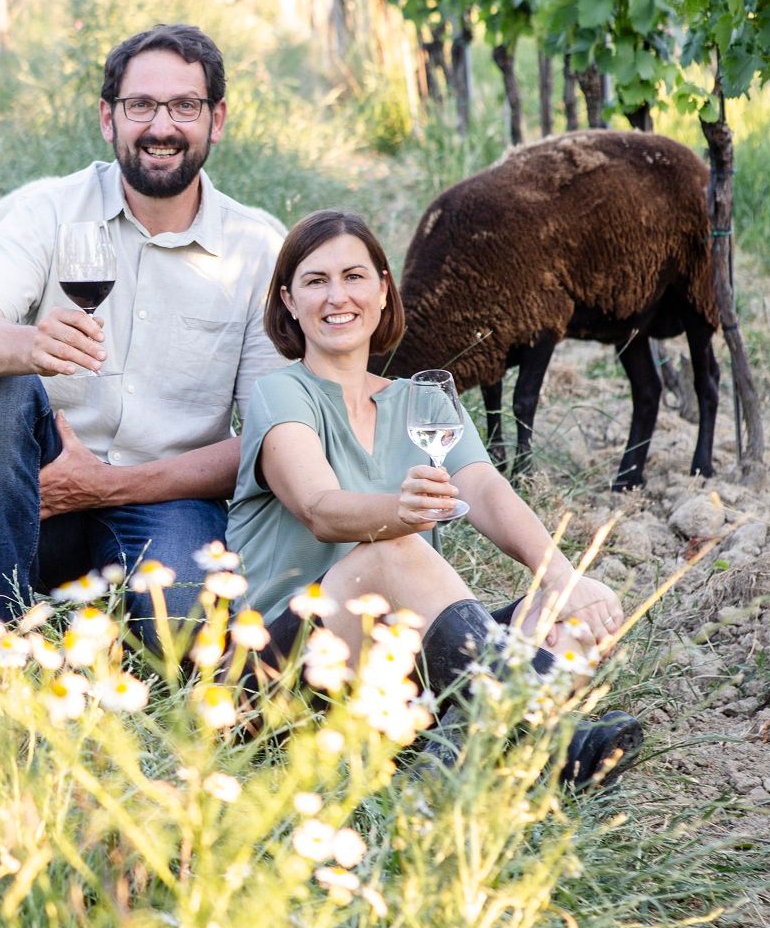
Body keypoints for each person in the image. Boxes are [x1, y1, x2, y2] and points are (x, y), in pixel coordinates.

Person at [225, 208, 640, 782]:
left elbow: (486, 489)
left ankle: (448, 760)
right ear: (289, 302)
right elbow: (319, 509)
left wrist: (565, 579)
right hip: (279, 677)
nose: (337, 296)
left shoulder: (422, 401)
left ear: (383, 290)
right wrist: (401, 512)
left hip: (392, 674)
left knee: (566, 611)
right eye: (316, 281)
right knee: (392, 550)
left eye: (353, 276)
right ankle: (547, 736)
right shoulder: (280, 394)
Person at [0, 24, 287, 628]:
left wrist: (107, 486)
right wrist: (30, 344)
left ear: (217, 119)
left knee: (182, 632)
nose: (161, 126)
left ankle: (107, 615)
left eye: (185, 106)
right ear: (108, 118)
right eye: (140, 105)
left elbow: (266, 441)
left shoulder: (256, 250)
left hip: (167, 498)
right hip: (39, 496)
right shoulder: (48, 212)